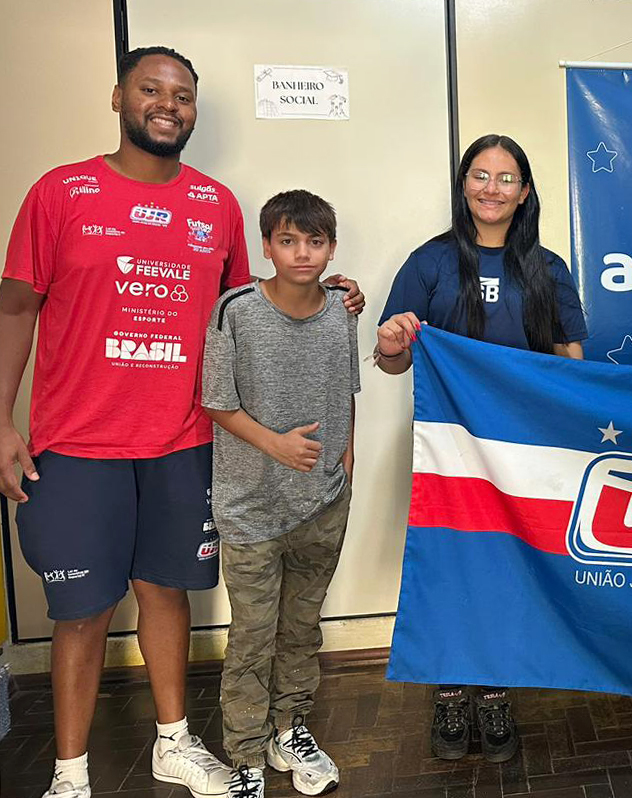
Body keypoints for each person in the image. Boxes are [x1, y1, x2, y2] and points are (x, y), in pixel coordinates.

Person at [0, 47, 362, 798]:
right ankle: (70, 776)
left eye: (183, 95)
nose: (168, 104)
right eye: (151, 89)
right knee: (83, 612)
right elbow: (15, 308)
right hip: (77, 441)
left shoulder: (216, 204)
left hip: (186, 441)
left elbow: (249, 309)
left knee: (168, 593)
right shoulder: (59, 192)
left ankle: (173, 743)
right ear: (118, 97)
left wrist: (322, 288)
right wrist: (1, 421)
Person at [376, 133, 587, 763]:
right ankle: (449, 690)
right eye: (480, 175)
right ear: (464, 184)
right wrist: (390, 343)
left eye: (506, 178)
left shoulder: (548, 269)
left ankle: (495, 690)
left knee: (507, 566)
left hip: (523, 452)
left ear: (524, 193)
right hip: (447, 451)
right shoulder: (430, 262)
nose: (492, 188)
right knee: (448, 564)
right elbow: (393, 360)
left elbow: (572, 359)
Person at [202, 190, 359, 798]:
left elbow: (346, 391)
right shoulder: (235, 311)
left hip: (322, 504)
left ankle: (289, 729)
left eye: (315, 242)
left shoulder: (342, 310)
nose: (302, 253)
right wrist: (276, 446)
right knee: (252, 635)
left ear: (331, 248)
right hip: (250, 506)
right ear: (266, 246)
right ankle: (244, 753)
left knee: (301, 628)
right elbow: (216, 402)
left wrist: (346, 461)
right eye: (288, 241)